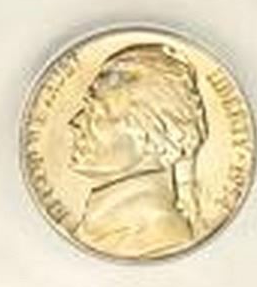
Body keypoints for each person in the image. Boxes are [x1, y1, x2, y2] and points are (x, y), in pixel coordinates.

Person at [67, 40, 209, 257]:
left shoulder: (155, 240)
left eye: (95, 111)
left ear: (150, 131)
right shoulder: (105, 231)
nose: (74, 123)